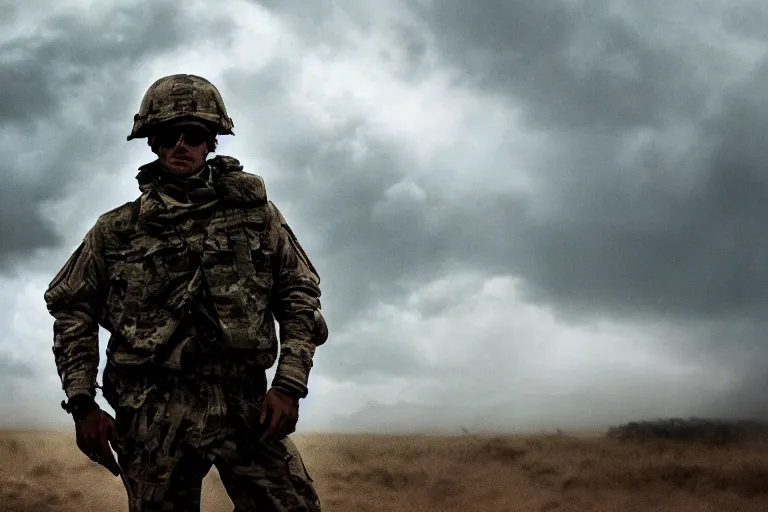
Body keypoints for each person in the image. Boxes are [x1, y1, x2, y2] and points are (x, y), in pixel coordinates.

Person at [43, 74, 328, 511]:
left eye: (193, 134)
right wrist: (83, 404)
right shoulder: (116, 230)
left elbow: (299, 294)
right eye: (168, 135)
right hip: (152, 411)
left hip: (242, 405)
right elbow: (71, 309)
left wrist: (289, 384)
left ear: (212, 142)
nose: (181, 145)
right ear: (152, 142)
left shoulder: (257, 218)